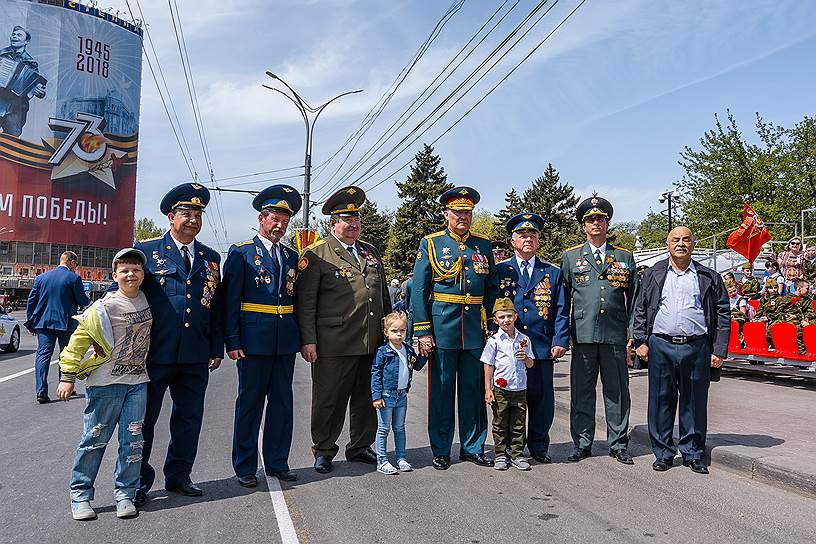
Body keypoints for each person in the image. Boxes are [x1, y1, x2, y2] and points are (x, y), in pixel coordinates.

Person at [131, 182, 223, 506]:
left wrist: (216, 348)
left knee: (189, 419)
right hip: (155, 354)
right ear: (171, 217)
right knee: (145, 421)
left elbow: (215, 306)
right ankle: (139, 481)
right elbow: (125, 294)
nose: (193, 219)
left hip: (195, 355)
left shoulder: (211, 259)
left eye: (198, 213)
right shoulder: (146, 250)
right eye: (186, 212)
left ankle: (180, 475)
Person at [295, 185, 392, 474]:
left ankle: (361, 445)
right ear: (332, 223)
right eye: (346, 220)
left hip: (370, 340)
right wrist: (308, 340)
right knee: (329, 399)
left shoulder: (371, 252)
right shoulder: (316, 254)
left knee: (367, 398)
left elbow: (383, 295)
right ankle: (324, 449)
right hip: (333, 342)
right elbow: (306, 302)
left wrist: (388, 335)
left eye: (356, 220)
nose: (353, 225)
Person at [56, 248, 152, 520]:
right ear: (115, 275)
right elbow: (77, 343)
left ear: (143, 274)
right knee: (94, 440)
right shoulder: (103, 307)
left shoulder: (146, 299)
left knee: (132, 442)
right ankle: (81, 496)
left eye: (136, 269)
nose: (130, 274)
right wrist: (67, 377)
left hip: (138, 383)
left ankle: (125, 494)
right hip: (105, 384)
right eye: (124, 270)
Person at [411, 186, 498, 470]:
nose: (463, 217)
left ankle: (473, 447)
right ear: (446, 213)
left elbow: (492, 287)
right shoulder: (432, 243)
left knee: (473, 392)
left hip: (474, 329)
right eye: (458, 212)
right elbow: (420, 290)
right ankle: (441, 448)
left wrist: (494, 324)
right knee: (442, 391)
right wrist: (423, 331)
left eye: (468, 212)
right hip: (443, 327)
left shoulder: (483, 244)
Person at [221, 185, 302, 487]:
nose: (280, 225)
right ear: (261, 218)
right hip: (252, 341)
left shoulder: (292, 256)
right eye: (274, 219)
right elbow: (230, 300)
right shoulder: (241, 253)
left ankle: (278, 461)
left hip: (284, 342)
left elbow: (297, 300)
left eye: (285, 220)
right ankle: (244, 466)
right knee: (250, 404)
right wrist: (232, 339)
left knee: (282, 404)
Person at [633, 227, 730, 475]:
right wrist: (640, 341)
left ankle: (693, 453)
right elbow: (641, 308)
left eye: (686, 239)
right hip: (661, 345)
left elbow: (722, 314)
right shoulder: (654, 274)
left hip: (697, 346)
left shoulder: (709, 276)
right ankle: (663, 453)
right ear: (667, 244)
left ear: (693, 244)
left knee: (694, 402)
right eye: (675, 239)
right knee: (661, 400)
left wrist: (718, 349)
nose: (681, 244)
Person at [560, 194, 638, 465]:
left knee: (617, 392)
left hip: (615, 335)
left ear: (607, 223)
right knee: (582, 392)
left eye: (600, 219)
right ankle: (582, 443)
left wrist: (631, 334)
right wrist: (564, 331)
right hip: (582, 334)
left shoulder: (624, 257)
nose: (595, 223)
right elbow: (563, 298)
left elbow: (635, 299)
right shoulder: (570, 258)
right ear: (583, 226)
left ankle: (618, 444)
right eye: (590, 220)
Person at [494, 213, 569, 463]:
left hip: (539, 346)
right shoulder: (500, 270)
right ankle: (508, 446)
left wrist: (560, 340)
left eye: (532, 235)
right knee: (509, 400)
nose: (528, 239)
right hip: (508, 348)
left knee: (541, 399)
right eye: (522, 235)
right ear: (512, 240)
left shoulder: (552, 272)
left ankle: (538, 444)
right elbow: (489, 305)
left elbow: (561, 309)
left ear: (538, 241)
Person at [25, 251, 90, 403]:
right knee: (66, 355)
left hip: (44, 324)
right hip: (66, 323)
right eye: (76, 265)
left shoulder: (41, 278)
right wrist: (86, 298)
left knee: (42, 355)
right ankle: (65, 386)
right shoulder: (73, 278)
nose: (76, 268)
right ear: (71, 262)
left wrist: (31, 322)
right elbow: (83, 301)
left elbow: (31, 301)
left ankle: (41, 391)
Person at [370, 312, 426, 475]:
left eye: (402, 330)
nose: (399, 334)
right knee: (384, 428)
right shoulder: (383, 351)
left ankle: (401, 458)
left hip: (402, 396)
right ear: (386, 332)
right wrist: (376, 396)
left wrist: (425, 352)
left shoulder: (408, 349)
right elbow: (376, 373)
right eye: (395, 331)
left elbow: (416, 365)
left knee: (400, 428)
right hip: (386, 396)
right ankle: (382, 461)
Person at [482, 298, 534, 471]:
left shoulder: (524, 339)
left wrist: (525, 358)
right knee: (500, 423)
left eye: (509, 316)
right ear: (495, 320)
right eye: (502, 317)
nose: (506, 320)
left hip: (520, 388)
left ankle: (517, 454)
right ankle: (500, 455)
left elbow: (531, 363)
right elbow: (488, 365)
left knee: (519, 424)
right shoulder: (494, 341)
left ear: (516, 316)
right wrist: (488, 389)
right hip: (500, 389)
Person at [0, 25, 46, 137]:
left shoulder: (31, 63)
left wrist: (40, 93)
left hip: (16, 108)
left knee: (12, 139)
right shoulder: (1, 54)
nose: (14, 37)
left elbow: (35, 85)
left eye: (19, 35)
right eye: (13, 34)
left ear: (26, 41)